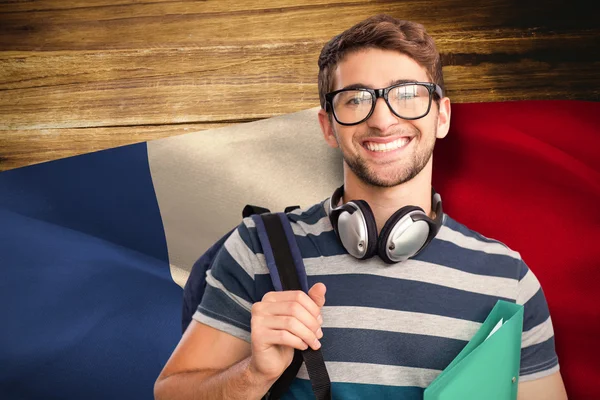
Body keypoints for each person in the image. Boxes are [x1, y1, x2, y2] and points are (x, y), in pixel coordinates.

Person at [154, 14, 568, 400]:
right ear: (328, 126)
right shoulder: (259, 248)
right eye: (355, 99)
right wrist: (254, 374)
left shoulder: (507, 277)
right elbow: (169, 392)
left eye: (407, 94)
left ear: (442, 117)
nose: (383, 120)